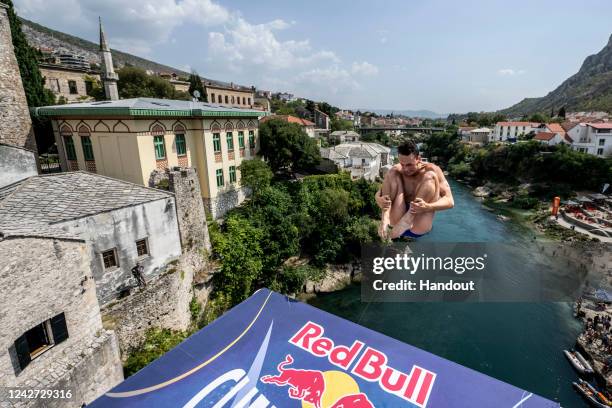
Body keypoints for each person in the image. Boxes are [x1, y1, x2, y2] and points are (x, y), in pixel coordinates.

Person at [375, 141, 454, 239]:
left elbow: (450, 201)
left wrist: (428, 206)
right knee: (392, 172)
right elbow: (381, 192)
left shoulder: (432, 169)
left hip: (418, 222)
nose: (405, 169)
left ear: (418, 159)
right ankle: (385, 219)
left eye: (409, 165)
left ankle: (407, 220)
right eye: (402, 164)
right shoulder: (398, 170)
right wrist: (378, 199)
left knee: (431, 176)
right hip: (397, 220)